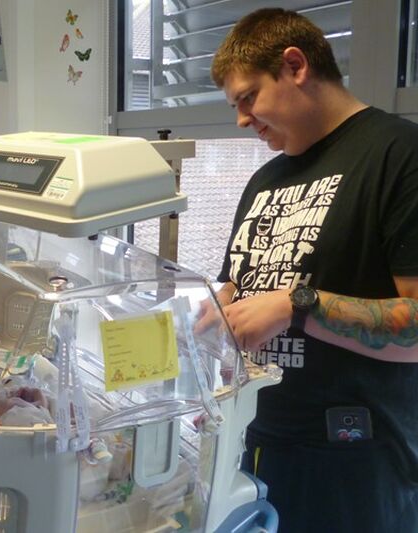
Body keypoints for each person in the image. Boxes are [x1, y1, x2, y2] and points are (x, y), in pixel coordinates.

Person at [201, 7, 418, 532]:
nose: (241, 119)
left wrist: (300, 306)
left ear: (295, 66)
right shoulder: (266, 179)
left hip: (355, 460)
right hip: (258, 440)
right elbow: (239, 281)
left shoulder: (398, 154)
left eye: (248, 98)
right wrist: (215, 313)